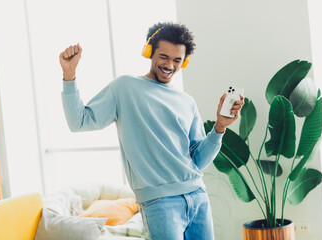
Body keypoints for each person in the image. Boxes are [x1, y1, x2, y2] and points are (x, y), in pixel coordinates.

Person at [59, 22, 244, 240]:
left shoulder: (186, 101)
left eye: (177, 60)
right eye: (163, 57)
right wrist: (69, 74)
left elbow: (198, 161)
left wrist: (220, 127)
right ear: (149, 52)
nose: (170, 65)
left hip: (198, 196)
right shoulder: (124, 88)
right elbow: (78, 121)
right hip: (159, 202)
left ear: (184, 61)